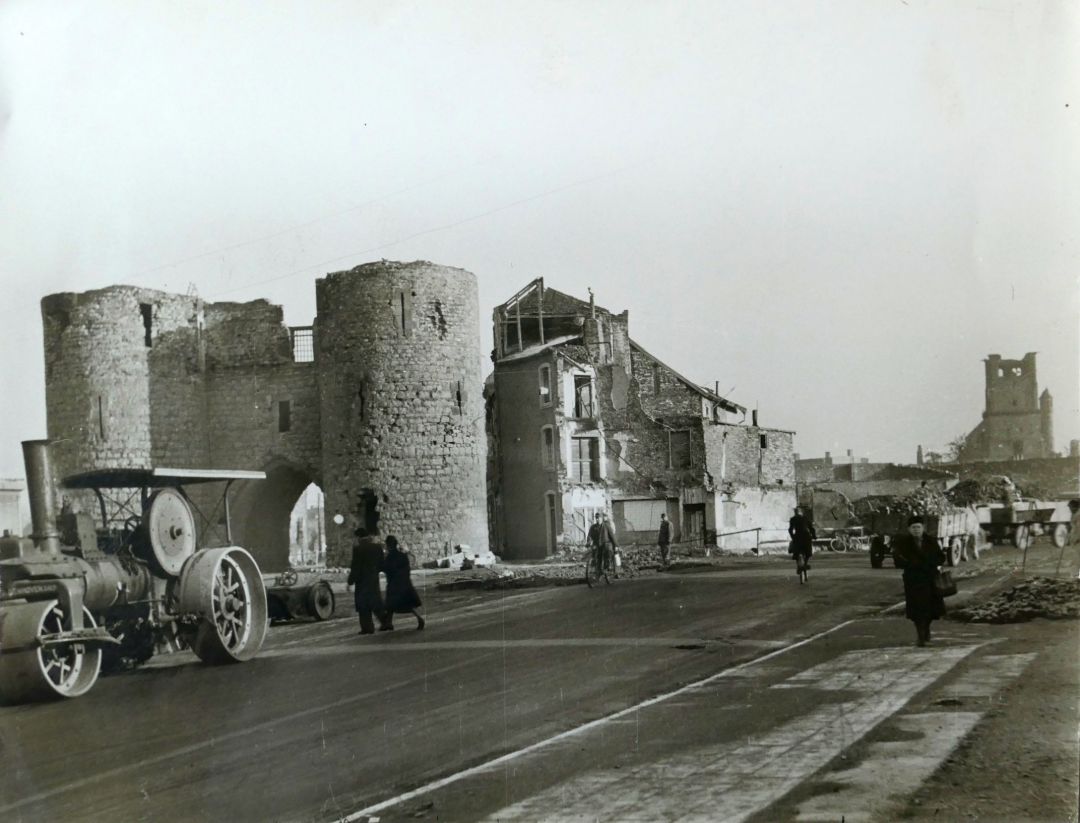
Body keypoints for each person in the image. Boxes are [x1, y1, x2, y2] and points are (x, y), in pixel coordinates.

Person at [891, 515, 946, 646]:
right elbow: (897, 560)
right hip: (913, 580)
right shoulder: (903, 543)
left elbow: (941, 557)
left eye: (918, 527)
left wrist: (929, 564)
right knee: (917, 610)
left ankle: (926, 631)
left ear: (923, 528)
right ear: (909, 529)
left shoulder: (931, 541)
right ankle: (921, 636)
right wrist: (911, 564)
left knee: (931, 609)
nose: (916, 530)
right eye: (913, 527)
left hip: (930, 579)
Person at [346, 526, 387, 635]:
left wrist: (350, 581)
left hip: (362, 581)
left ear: (358, 537)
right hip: (373, 579)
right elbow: (382, 564)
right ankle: (386, 623)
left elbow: (355, 567)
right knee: (376, 602)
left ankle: (367, 628)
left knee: (363, 604)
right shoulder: (377, 547)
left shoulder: (358, 549)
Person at [381, 535, 425, 631]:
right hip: (405, 583)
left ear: (388, 545)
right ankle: (389, 623)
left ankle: (388, 623)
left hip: (394, 584)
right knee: (405, 604)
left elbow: (386, 569)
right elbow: (407, 568)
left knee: (391, 604)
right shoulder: (402, 555)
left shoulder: (389, 557)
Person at [788, 506, 815, 584]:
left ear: (795, 512)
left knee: (796, 552)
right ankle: (805, 564)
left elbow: (790, 529)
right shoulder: (806, 518)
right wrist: (814, 536)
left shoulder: (793, 519)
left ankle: (798, 565)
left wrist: (793, 537)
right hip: (806, 537)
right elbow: (811, 528)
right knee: (808, 553)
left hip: (797, 538)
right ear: (801, 512)